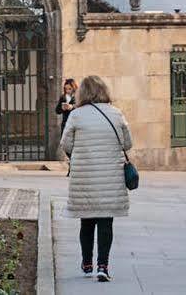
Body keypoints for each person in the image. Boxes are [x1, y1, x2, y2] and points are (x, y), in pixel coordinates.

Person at [61, 74, 132, 281]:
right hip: (110, 177)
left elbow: (65, 144)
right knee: (105, 221)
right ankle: (103, 266)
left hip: (84, 176)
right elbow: (127, 144)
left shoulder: (76, 115)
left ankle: (86, 263)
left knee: (86, 221)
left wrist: (80, 152)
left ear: (82, 92)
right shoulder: (117, 114)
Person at [56, 77, 79, 147]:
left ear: (74, 88)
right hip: (65, 123)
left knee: (75, 142)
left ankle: (72, 157)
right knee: (65, 143)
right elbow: (57, 111)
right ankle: (69, 157)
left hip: (76, 122)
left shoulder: (78, 97)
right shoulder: (63, 97)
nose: (67, 91)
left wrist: (72, 107)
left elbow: (81, 107)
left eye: (69, 89)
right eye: (66, 89)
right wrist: (62, 108)